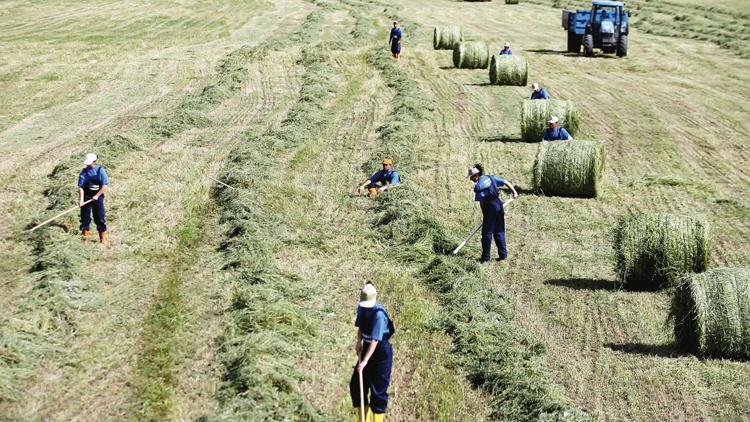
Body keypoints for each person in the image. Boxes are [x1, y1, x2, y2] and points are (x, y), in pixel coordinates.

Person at [349, 282, 394, 422]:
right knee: (356, 385)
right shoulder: (362, 307)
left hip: (380, 352)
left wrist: (365, 361)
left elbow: (375, 340)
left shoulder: (379, 315)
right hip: (367, 346)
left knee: (378, 391)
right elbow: (361, 327)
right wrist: (359, 341)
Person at [467, 164, 518, 263]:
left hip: (489, 207)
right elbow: (505, 182)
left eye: (471, 177)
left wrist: (485, 215)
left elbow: (482, 203)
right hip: (498, 204)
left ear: (476, 175)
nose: (470, 179)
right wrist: (514, 192)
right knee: (499, 230)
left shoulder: (478, 187)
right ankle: (503, 255)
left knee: (487, 233)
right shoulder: (491, 177)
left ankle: (485, 258)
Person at [78, 153, 110, 243]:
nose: (88, 165)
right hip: (86, 196)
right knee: (85, 217)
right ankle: (86, 237)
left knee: (99, 217)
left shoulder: (100, 170)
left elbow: (105, 185)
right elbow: (80, 187)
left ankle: (102, 237)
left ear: (95, 161)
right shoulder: (83, 172)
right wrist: (81, 200)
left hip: (98, 197)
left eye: (90, 163)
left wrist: (97, 195)